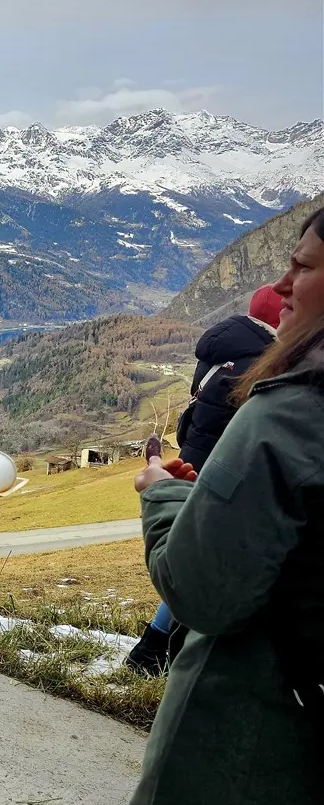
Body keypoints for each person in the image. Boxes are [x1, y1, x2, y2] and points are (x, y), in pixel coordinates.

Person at [127, 206, 324, 805]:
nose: (283, 283)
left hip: (257, 771)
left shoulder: (291, 415)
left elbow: (202, 589)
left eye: (303, 265)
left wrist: (163, 498)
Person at [126, 284, 285, 675]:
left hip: (196, 457)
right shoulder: (261, 363)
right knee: (198, 563)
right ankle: (155, 650)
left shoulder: (226, 350)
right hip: (220, 471)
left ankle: (153, 649)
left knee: (194, 557)